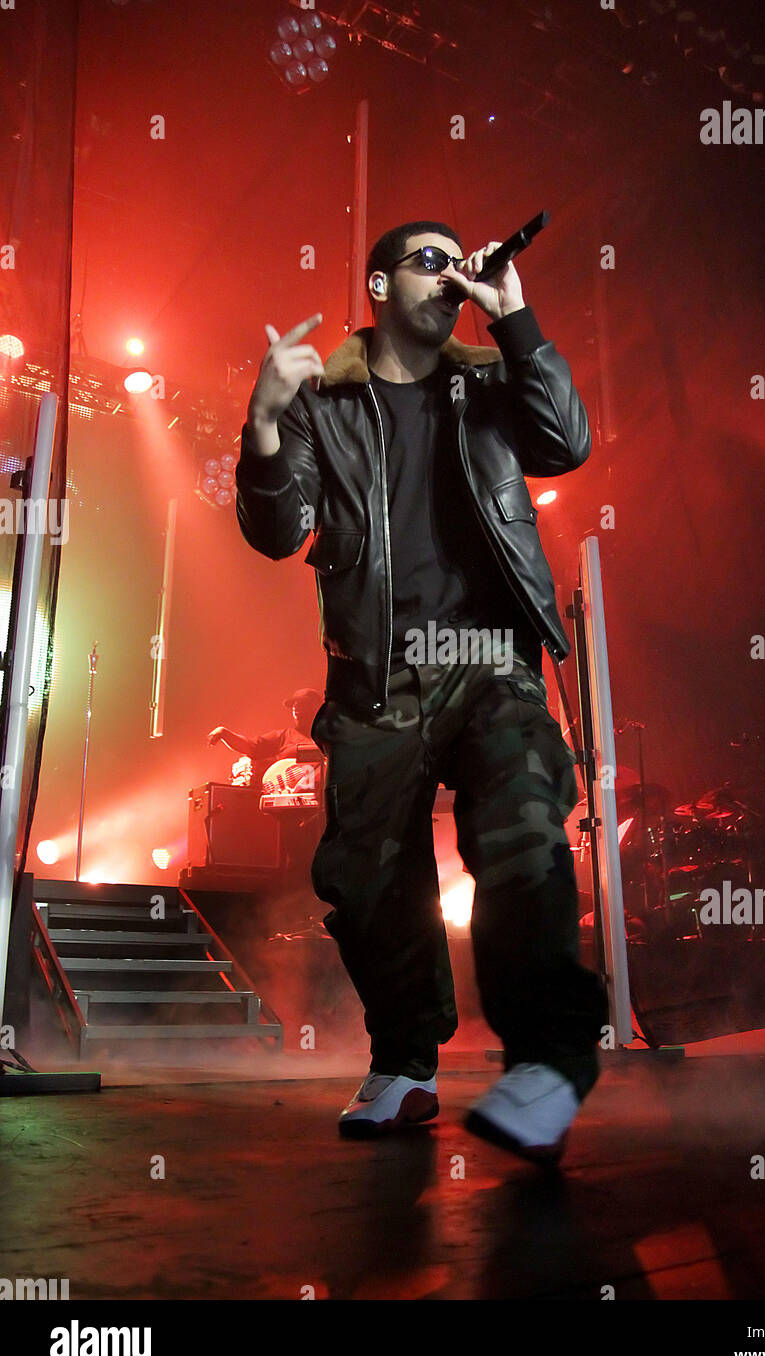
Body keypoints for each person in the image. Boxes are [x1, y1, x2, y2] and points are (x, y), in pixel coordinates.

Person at [234, 220, 607, 1164]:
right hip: (376, 677)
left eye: (459, 262)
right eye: (429, 261)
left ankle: (547, 1062)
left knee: (523, 824)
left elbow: (564, 443)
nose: (451, 276)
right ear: (377, 283)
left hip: (493, 662)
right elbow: (280, 533)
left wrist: (516, 319)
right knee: (364, 887)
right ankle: (406, 1065)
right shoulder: (324, 399)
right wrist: (266, 424)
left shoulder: (487, 377)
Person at [207, 688, 324, 882]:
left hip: (322, 810)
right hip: (291, 813)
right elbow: (251, 747)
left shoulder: (331, 736)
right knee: (293, 860)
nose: (295, 708)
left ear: (316, 707)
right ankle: (291, 902)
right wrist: (224, 733)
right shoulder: (284, 736)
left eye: (300, 704)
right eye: (293, 705)